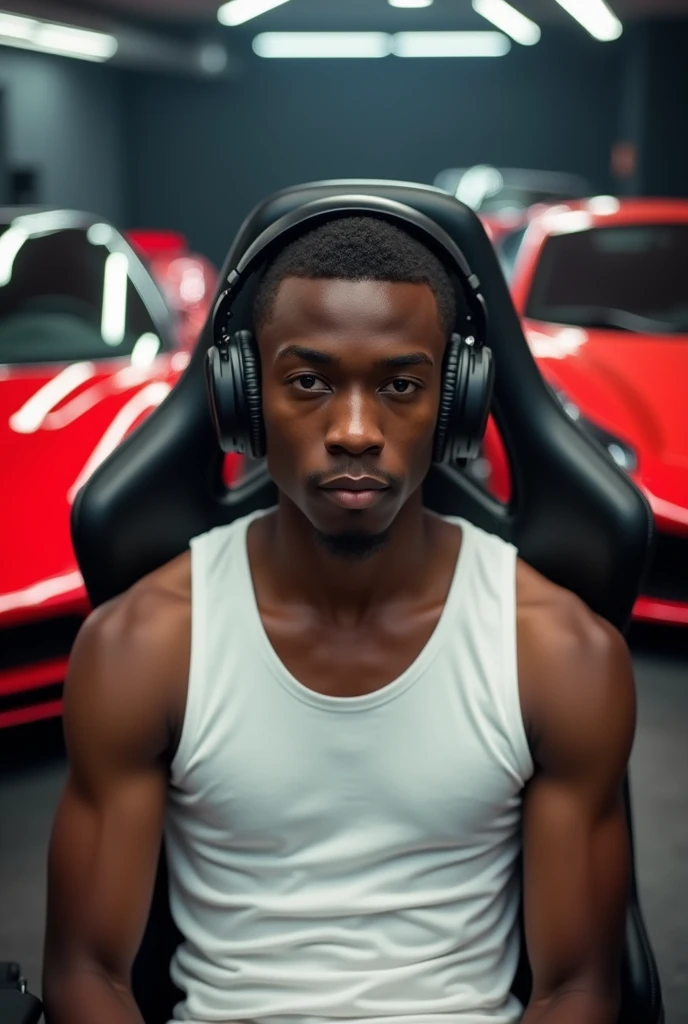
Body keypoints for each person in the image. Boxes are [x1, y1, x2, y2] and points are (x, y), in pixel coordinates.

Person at [43, 215, 636, 1024]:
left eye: (399, 385)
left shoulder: (558, 655)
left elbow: (580, 989)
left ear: (455, 404)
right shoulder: (143, 647)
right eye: (309, 382)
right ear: (243, 400)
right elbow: (87, 975)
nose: (355, 432)